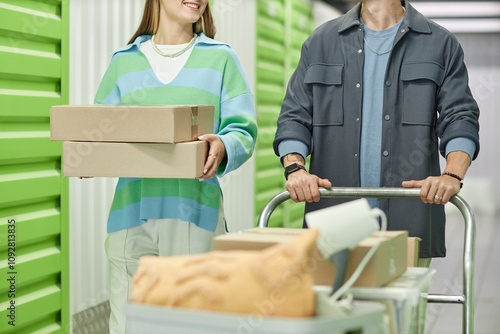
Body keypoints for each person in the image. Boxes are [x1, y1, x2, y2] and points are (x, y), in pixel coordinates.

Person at [273, 0, 479, 265]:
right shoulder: (322, 42)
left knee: (402, 307)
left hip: (408, 223)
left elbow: (460, 116)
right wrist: (295, 169)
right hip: (335, 221)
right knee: (335, 305)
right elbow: (294, 116)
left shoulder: (439, 43)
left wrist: (452, 174)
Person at [93, 1, 257, 333]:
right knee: (128, 325)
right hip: (130, 216)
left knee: (193, 324)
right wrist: (87, 154)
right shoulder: (124, 63)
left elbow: (244, 130)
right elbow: (97, 131)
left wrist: (224, 145)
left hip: (196, 215)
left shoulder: (221, 58)